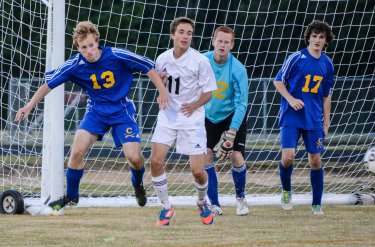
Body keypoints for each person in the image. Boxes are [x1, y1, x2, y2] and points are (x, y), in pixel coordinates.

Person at [14, 21, 169, 211]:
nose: (88, 51)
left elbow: (148, 67)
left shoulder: (117, 55)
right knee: (77, 151)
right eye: (83, 47)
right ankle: (71, 196)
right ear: (78, 48)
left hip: (121, 111)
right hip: (95, 111)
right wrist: (29, 105)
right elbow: (49, 84)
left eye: (91, 45)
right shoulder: (75, 64)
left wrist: (162, 91)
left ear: (97, 42)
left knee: (134, 158)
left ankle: (138, 185)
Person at [150, 17, 217, 226]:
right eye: (181, 32)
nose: (185, 36)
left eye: (189, 33)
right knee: (155, 162)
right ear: (172, 35)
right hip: (167, 117)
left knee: (198, 171)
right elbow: (161, 86)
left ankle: (202, 201)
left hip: (192, 120)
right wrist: (161, 88)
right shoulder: (162, 59)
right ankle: (166, 207)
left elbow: (209, 92)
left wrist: (194, 105)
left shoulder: (200, 61)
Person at [273, 20, 334, 215]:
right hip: (292, 116)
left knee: (315, 160)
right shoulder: (296, 58)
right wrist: (291, 100)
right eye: (314, 36)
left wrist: (326, 121)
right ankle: (286, 191)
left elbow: (326, 95)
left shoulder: (327, 63)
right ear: (308, 38)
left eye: (321, 37)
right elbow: (277, 81)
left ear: (326, 41)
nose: (317, 40)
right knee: (288, 156)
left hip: (314, 119)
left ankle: (316, 204)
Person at [203, 26, 249, 216]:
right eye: (219, 41)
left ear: (232, 45)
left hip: (231, 114)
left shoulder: (238, 69)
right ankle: (214, 203)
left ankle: (241, 199)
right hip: (208, 114)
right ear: (213, 41)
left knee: (235, 156)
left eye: (226, 42)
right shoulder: (202, 60)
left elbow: (242, 103)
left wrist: (232, 130)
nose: (222, 45)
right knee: (205, 156)